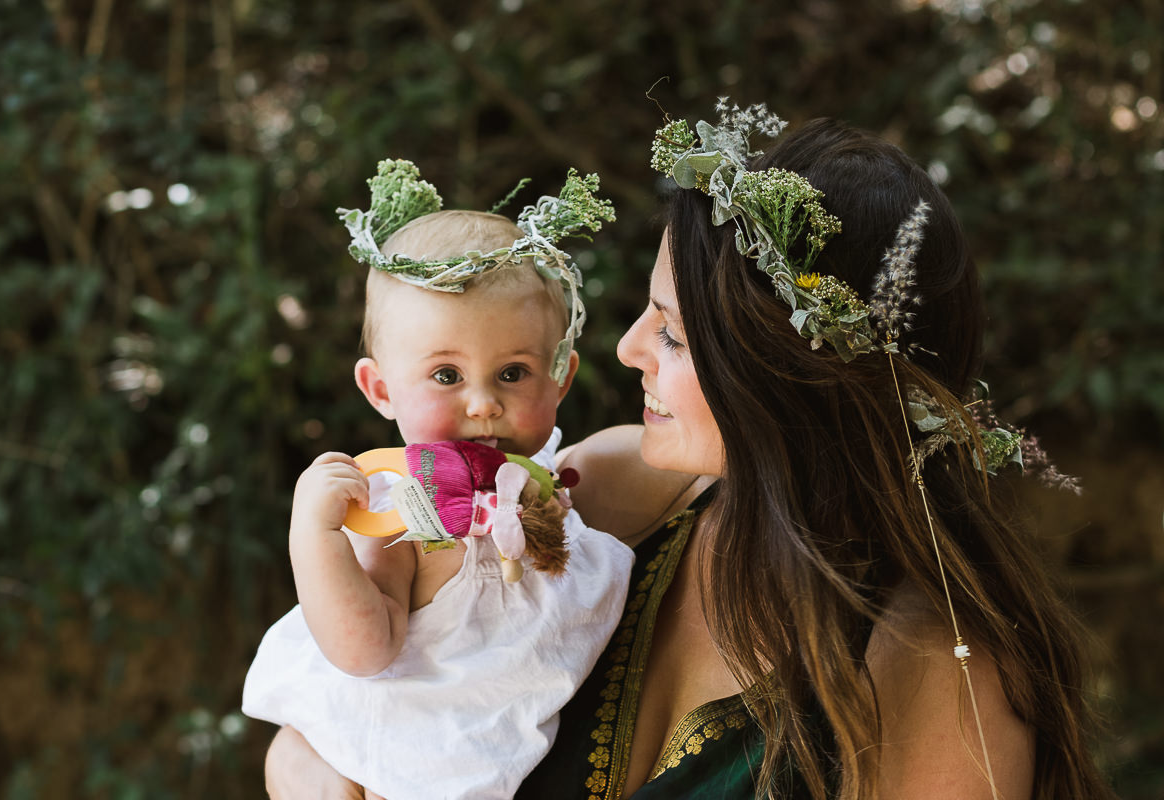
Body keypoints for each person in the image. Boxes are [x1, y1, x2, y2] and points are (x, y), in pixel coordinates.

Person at [264, 107, 1114, 799]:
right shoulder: (612, 494)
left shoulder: (937, 670)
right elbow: (355, 702)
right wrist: (303, 774)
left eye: (670, 331)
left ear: (785, 372)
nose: (629, 348)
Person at [243, 161, 635, 800]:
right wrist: (313, 534)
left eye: (513, 373)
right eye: (447, 376)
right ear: (381, 390)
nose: (483, 403)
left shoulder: (556, 490)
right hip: (388, 769)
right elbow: (363, 651)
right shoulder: (407, 513)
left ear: (560, 380)